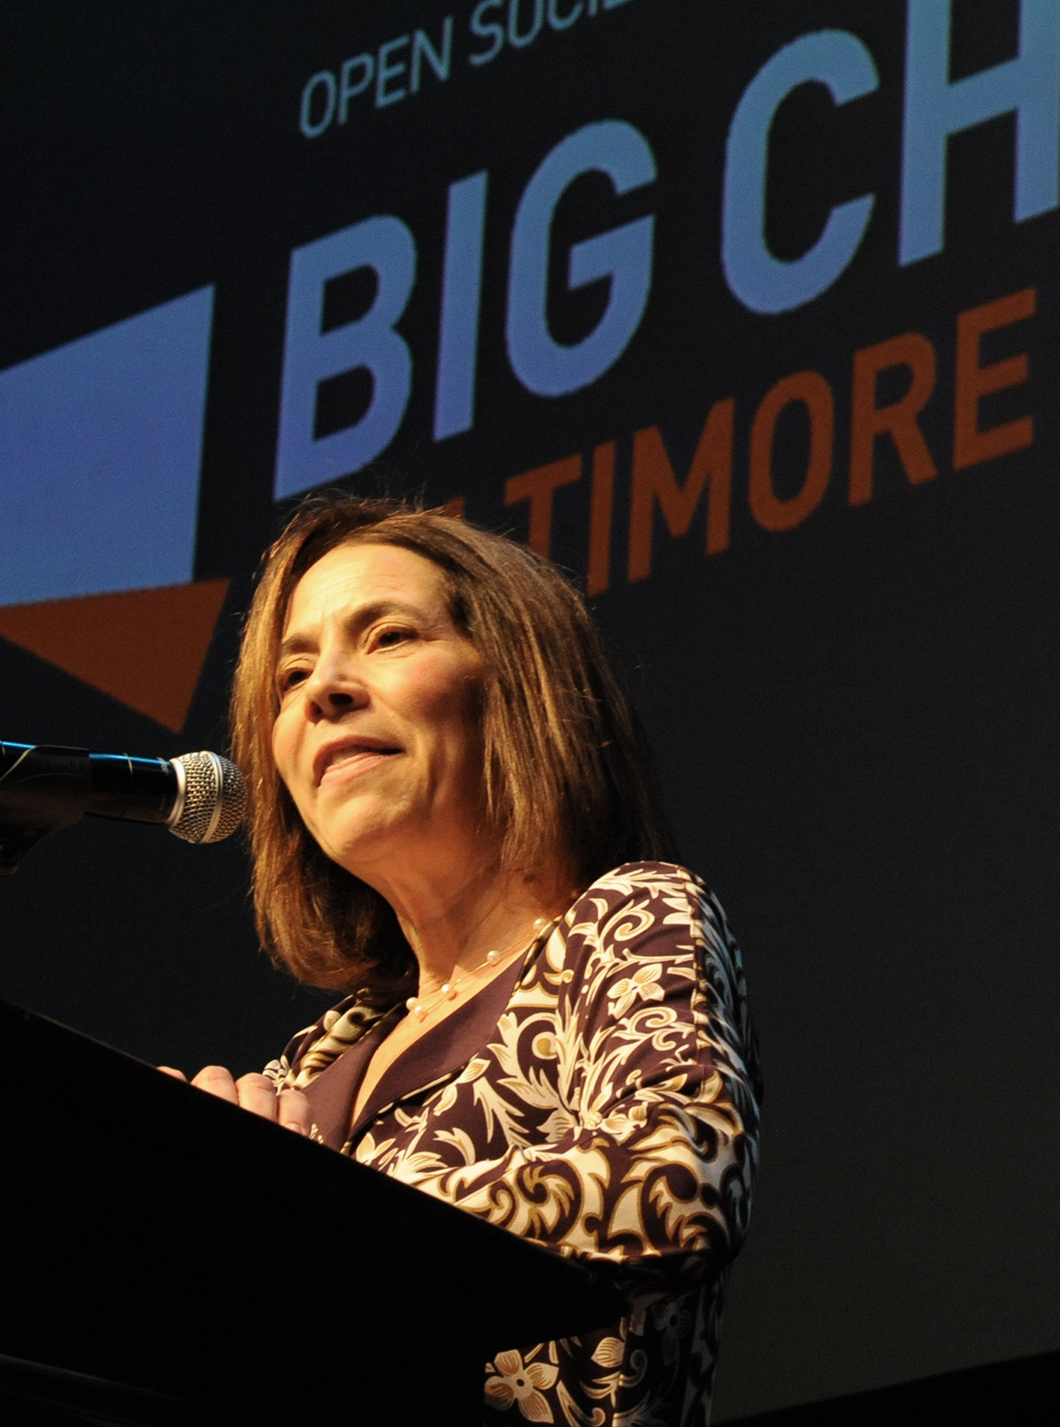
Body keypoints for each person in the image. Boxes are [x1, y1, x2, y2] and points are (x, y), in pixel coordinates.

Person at [168, 496, 757, 1426]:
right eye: (292, 674)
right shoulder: (323, 1057)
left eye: (389, 637)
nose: (323, 690)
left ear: (516, 683)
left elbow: (677, 1186)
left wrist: (300, 1212)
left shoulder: (627, 920)